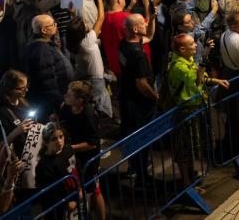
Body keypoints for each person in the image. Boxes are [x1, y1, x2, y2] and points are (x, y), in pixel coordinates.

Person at [165, 33, 229, 189]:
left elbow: (202, 78)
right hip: (185, 112)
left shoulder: (188, 60)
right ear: (182, 48)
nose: (195, 45)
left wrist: (215, 80)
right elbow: (197, 79)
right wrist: (204, 60)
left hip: (196, 109)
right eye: (192, 44)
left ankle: (191, 176)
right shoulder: (178, 66)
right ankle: (186, 183)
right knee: (185, 149)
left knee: (193, 147)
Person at [57, 82, 106, 220]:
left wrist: (70, 148)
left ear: (80, 100)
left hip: (89, 160)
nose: (65, 95)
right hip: (73, 159)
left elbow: (92, 144)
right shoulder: (66, 107)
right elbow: (62, 122)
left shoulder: (89, 115)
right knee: (77, 190)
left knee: (94, 191)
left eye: (70, 94)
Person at [118, 13, 158, 180]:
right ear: (135, 29)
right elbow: (141, 84)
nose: (145, 24)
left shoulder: (124, 44)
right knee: (142, 138)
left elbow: (149, 36)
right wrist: (154, 95)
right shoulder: (139, 55)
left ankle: (134, 168)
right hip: (139, 103)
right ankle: (142, 175)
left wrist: (152, 19)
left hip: (126, 98)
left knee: (132, 135)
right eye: (143, 23)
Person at [21, 14, 75, 119]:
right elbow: (47, 79)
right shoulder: (42, 50)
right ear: (44, 30)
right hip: (51, 103)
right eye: (53, 24)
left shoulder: (42, 44)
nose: (56, 25)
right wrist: (59, 101)